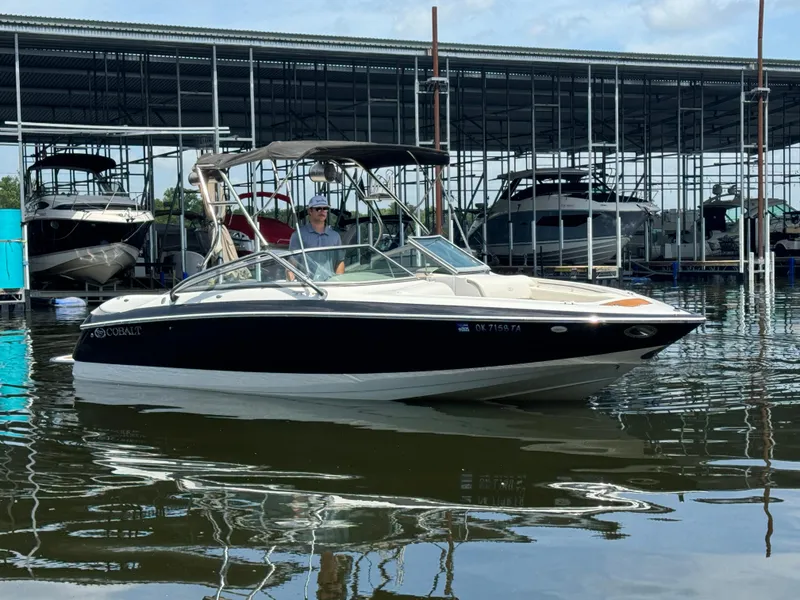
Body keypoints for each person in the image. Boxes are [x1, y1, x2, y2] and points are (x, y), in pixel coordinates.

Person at [287, 194, 345, 280]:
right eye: (318, 208)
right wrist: (291, 283)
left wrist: (338, 282)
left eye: (325, 208)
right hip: (307, 285)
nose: (322, 211)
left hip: (330, 285)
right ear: (310, 211)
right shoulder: (298, 235)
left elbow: (340, 261)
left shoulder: (335, 236)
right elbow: (291, 264)